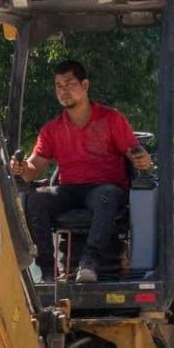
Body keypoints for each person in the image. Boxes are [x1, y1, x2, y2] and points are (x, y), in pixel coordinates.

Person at [11, 59, 152, 282]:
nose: (64, 91)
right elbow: (33, 170)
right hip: (70, 189)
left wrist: (142, 160)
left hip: (104, 188)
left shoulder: (112, 120)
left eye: (69, 84)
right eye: (59, 86)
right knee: (35, 199)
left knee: (106, 195)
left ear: (85, 85)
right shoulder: (51, 130)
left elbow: (135, 154)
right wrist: (20, 169)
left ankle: (89, 262)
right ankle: (48, 272)